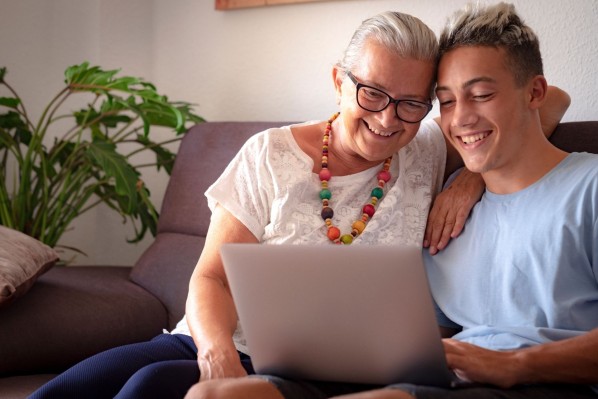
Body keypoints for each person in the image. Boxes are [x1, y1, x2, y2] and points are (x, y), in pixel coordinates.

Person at [30, 8, 569, 399]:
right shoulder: (269, 154)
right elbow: (210, 279)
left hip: (323, 365)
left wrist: (469, 181)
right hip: (217, 341)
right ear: (339, 81)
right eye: (372, 93)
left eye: (410, 103)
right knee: (67, 392)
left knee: (148, 390)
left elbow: (548, 104)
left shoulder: (426, 144)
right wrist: (214, 356)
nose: (387, 120)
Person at [183, 2, 597, 399]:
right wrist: (473, 177)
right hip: (429, 375)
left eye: (482, 94)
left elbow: (546, 104)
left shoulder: (581, 186)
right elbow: (424, 332)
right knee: (213, 395)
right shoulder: (447, 212)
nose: (460, 118)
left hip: (527, 381)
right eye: (447, 101)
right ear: (339, 83)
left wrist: (515, 365)